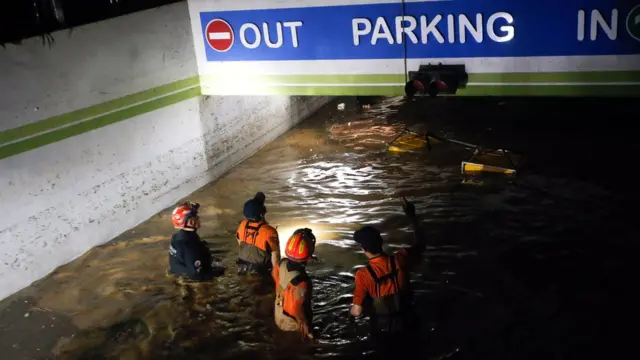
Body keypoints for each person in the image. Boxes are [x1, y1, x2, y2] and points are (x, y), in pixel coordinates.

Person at [350, 197, 426, 337]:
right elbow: (421, 243)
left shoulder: (363, 275)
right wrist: (412, 216)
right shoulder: (400, 259)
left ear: (363, 248)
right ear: (381, 242)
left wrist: (353, 311)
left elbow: (357, 312)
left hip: (383, 331)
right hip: (409, 324)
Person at [273, 228, 316, 339]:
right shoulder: (302, 282)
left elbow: (275, 277)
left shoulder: (281, 263)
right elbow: (299, 311)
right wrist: (309, 334)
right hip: (291, 324)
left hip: (278, 312)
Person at [168, 201, 219, 281]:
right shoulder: (190, 245)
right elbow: (196, 275)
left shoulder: (176, 237)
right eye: (196, 217)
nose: (198, 218)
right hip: (191, 279)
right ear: (190, 222)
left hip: (181, 273)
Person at [235, 192, 281, 275]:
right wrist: (276, 276)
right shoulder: (270, 232)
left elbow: (240, 243)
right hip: (260, 272)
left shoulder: (242, 224)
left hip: (242, 268)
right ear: (262, 213)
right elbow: (276, 257)